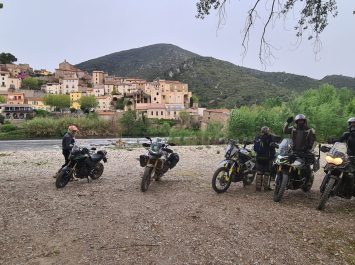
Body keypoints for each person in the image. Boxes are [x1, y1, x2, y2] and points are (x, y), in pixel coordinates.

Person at [283, 114, 316, 189]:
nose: (300, 122)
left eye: (302, 121)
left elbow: (313, 140)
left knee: (305, 167)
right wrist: (287, 123)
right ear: (296, 122)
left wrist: (309, 147)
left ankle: (308, 181)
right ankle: (287, 179)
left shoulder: (309, 130)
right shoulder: (293, 129)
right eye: (299, 121)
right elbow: (285, 131)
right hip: (293, 150)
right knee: (287, 162)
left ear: (304, 121)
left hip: (304, 152)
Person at [327, 117, 355, 198]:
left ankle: (350, 191)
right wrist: (332, 141)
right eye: (352, 123)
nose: (353, 125)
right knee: (334, 166)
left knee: (351, 175)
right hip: (347, 156)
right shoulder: (347, 134)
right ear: (349, 125)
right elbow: (339, 140)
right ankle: (330, 186)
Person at [253, 126, 281, 191]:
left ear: (261, 131)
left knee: (259, 172)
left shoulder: (258, 137)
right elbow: (276, 145)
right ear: (268, 131)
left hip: (259, 157)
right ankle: (266, 188)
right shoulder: (270, 137)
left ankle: (258, 188)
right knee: (267, 173)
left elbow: (255, 148)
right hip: (268, 158)